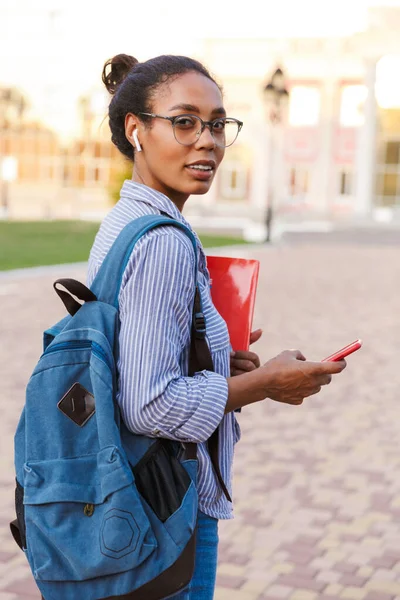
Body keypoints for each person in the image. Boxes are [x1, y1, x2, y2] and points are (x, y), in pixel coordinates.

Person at [86, 53, 346, 600]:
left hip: (124, 498)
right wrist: (265, 384)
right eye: (183, 122)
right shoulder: (163, 242)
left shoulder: (126, 219)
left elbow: (127, 356)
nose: (206, 140)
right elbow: (149, 404)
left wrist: (205, 356)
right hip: (164, 505)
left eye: (216, 124)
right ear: (136, 129)